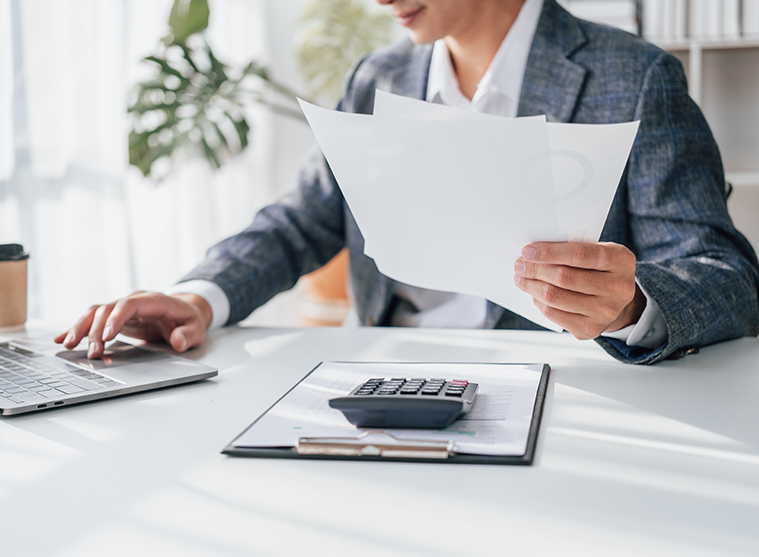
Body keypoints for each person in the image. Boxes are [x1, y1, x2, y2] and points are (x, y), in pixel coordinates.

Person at [56, 0, 759, 365]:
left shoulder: (635, 78)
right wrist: (198, 295)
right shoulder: (378, 78)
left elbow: (726, 274)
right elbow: (300, 220)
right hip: (379, 382)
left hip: (561, 394)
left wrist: (631, 303)